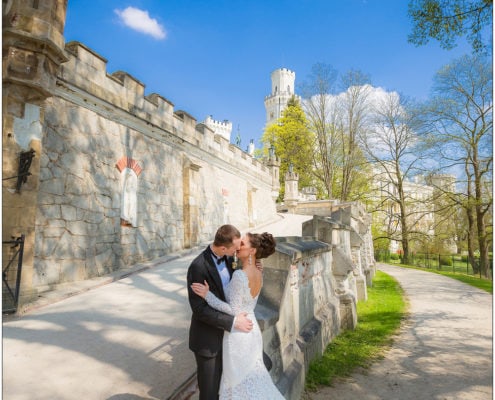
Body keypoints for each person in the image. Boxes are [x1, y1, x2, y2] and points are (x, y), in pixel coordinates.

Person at [191, 232, 284, 399]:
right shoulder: (257, 272)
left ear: (252, 251)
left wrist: (207, 295)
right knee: (248, 380)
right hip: (250, 329)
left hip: (239, 334)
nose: (238, 247)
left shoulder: (240, 275)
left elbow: (234, 309)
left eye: (242, 244)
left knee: (238, 384)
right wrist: (255, 263)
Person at [187, 224, 255, 400]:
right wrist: (232, 322)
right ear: (223, 247)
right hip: (208, 340)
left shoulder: (228, 258)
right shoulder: (198, 267)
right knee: (209, 392)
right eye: (236, 247)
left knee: (227, 388)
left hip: (230, 339)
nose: (239, 249)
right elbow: (199, 310)